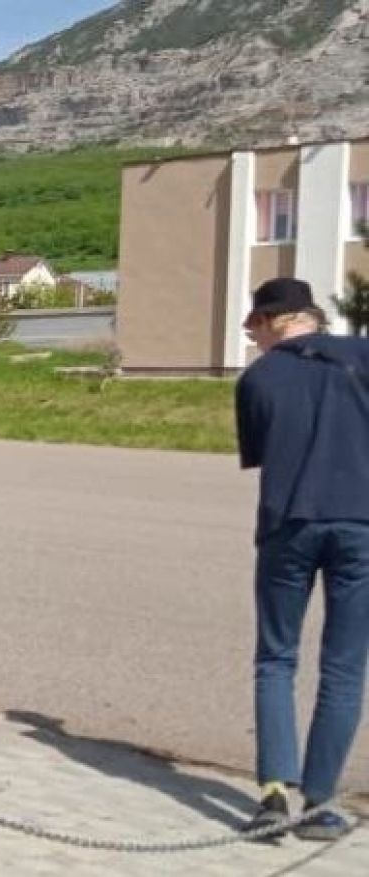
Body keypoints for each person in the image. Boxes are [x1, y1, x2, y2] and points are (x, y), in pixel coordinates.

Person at [236, 278, 369, 841]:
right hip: (361, 524)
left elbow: (263, 452)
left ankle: (272, 796)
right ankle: (319, 803)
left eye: (253, 329)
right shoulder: (363, 358)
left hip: (288, 524)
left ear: (273, 321)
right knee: (343, 667)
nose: (252, 340)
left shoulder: (258, 378)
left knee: (276, 659)